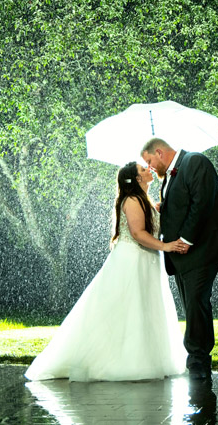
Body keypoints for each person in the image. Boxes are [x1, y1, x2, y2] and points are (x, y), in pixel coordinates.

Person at [24, 162, 189, 382]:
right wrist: (166, 246)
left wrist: (157, 211)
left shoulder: (144, 200)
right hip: (132, 260)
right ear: (136, 179)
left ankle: (147, 358)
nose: (148, 170)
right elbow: (138, 233)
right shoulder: (132, 201)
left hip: (147, 261)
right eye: (142, 169)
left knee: (144, 309)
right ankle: (123, 362)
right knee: (127, 309)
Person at [141, 138, 218, 380]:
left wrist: (185, 241)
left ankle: (198, 361)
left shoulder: (195, 161)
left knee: (197, 301)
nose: (149, 167)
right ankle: (198, 359)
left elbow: (202, 203)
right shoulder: (169, 177)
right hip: (181, 254)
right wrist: (162, 209)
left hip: (202, 247)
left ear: (158, 152)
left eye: (148, 161)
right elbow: (182, 205)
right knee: (192, 303)